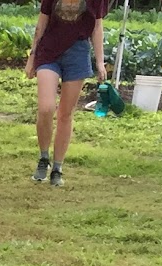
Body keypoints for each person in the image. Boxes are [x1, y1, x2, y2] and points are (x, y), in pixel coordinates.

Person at [25, 0, 109, 186]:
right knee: (46, 108)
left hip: (78, 53)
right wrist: (32, 57)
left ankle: (57, 167)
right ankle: (44, 158)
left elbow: (97, 27)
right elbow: (42, 23)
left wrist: (100, 62)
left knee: (65, 114)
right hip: (49, 51)